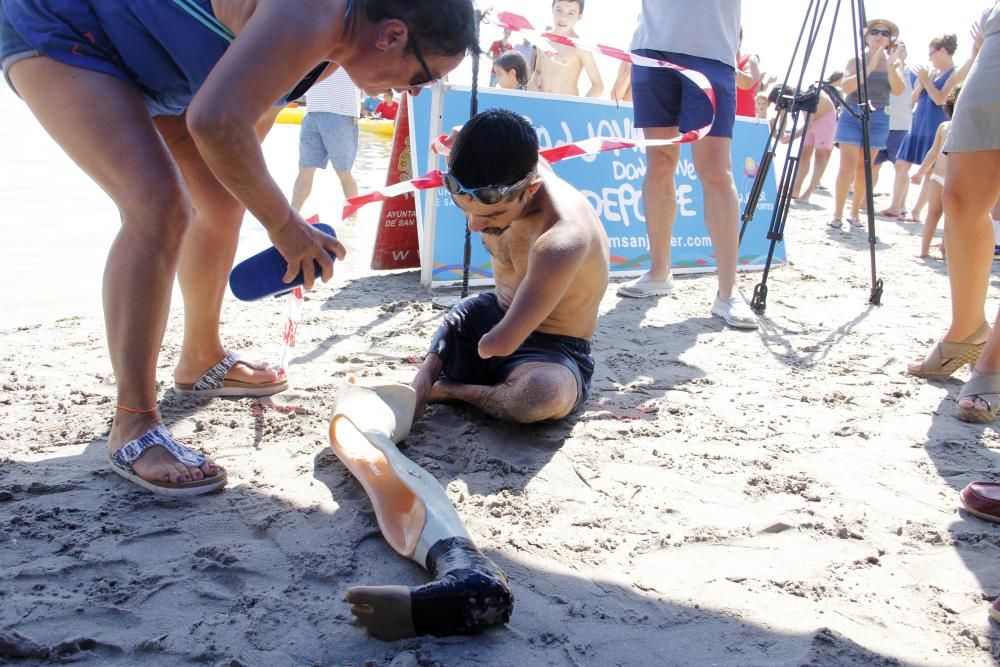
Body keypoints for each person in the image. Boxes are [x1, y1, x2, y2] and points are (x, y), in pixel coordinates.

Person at [0, 0, 476, 495]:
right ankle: (134, 420)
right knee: (159, 207)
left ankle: (201, 357)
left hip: (155, 61)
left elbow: (238, 136)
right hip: (67, 25)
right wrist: (285, 227)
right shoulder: (315, 11)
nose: (414, 91)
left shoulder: (336, 45)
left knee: (220, 199)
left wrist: (273, 213)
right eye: (423, 74)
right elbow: (214, 122)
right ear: (393, 35)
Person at [410, 109, 610, 423]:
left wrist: (468, 350)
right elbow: (487, 136)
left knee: (539, 396)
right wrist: (462, 137)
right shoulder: (513, 166)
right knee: (469, 312)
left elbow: (498, 343)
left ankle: (449, 390)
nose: (475, 225)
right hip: (489, 312)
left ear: (530, 189)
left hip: (552, 348)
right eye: (465, 210)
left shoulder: (561, 238)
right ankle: (422, 385)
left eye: (491, 216)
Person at [615, 0, 758, 330]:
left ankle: (728, 292)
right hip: (651, 49)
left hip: (712, 53)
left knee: (715, 170)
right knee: (660, 162)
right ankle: (658, 272)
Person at [827, 18, 905, 230]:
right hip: (853, 113)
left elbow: (898, 90)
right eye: (874, 31)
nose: (879, 36)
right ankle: (837, 213)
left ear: (890, 40)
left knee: (865, 168)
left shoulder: (895, 62)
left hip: (879, 116)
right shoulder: (856, 60)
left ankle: (855, 212)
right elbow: (847, 87)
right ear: (867, 36)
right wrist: (870, 66)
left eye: (885, 33)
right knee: (847, 165)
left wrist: (889, 65)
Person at [881, 34, 963, 219]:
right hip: (917, 125)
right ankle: (895, 206)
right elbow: (914, 99)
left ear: (943, 50)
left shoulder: (955, 73)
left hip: (935, 128)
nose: (929, 58)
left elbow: (941, 99)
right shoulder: (932, 72)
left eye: (932, 53)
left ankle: (916, 212)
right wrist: (922, 82)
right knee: (901, 164)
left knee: (930, 172)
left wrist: (926, 81)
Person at [290, 67, 361, 213]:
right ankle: (291, 217)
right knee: (304, 170)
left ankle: (353, 218)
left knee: (343, 172)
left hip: (341, 112)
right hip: (313, 112)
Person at [912, 85, 960, 258]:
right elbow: (933, 152)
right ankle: (924, 250)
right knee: (932, 213)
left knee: (950, 216)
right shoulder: (944, 126)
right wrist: (921, 171)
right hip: (938, 176)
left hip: (956, 179)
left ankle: (944, 249)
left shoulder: (971, 129)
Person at [527, 0, 604, 98]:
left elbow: (598, 86)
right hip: (542, 103)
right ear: (552, 9)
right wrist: (532, 84)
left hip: (566, 107)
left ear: (580, 15)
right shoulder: (544, 39)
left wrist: (579, 109)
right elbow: (538, 70)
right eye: (559, 10)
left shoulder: (580, 46)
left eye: (571, 13)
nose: (563, 18)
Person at [777, 85, 837, 204]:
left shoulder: (808, 99)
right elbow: (783, 114)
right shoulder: (788, 97)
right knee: (804, 154)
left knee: (820, 156)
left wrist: (791, 137)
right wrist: (781, 132)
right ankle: (795, 189)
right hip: (812, 118)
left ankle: (808, 192)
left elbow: (808, 125)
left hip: (825, 117)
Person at [872, 41, 914, 204]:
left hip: (901, 129)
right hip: (881, 125)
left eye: (900, 51)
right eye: (893, 51)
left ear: (906, 54)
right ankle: (864, 200)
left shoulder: (912, 74)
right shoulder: (883, 71)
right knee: (873, 166)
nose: (896, 55)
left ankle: (900, 204)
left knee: (901, 168)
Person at [735, 28, 762, 118]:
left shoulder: (750, 58)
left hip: (744, 123)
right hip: (718, 121)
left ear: (740, 40)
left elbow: (747, 83)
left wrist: (728, 66)